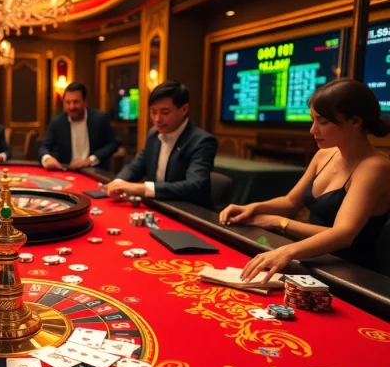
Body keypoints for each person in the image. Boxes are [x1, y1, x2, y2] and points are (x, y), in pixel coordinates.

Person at [218, 79, 390, 279]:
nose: (313, 130)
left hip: (351, 275)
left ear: (355, 122)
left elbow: (343, 234)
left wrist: (279, 224)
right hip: (312, 261)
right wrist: (253, 208)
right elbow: (291, 202)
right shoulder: (324, 154)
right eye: (313, 120)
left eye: (323, 122)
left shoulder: (375, 167)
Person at [105, 81, 218, 209]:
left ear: (184, 109)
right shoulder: (153, 134)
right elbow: (135, 166)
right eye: (153, 112)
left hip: (189, 213)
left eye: (165, 113)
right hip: (159, 206)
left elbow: (194, 186)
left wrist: (140, 188)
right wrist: (118, 183)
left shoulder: (202, 141)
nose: (157, 119)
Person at [39, 82, 120, 170]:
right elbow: (44, 147)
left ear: (85, 102)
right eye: (67, 102)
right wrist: (47, 158)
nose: (71, 107)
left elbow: (113, 143)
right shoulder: (57, 122)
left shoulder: (99, 119)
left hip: (94, 171)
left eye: (76, 102)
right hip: (67, 171)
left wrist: (91, 160)